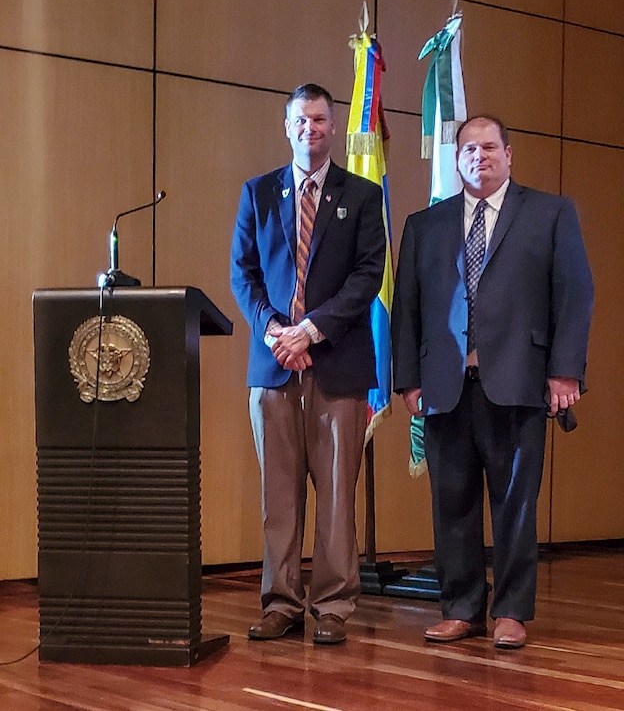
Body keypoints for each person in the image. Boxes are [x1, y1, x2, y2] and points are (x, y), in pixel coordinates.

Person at [391, 115, 593, 649]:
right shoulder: (424, 224)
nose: (478, 156)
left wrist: (565, 370)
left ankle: (510, 611)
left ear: (509, 153)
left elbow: (574, 294)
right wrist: (407, 380)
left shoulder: (551, 213)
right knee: (451, 502)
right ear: (455, 161)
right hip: (444, 386)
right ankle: (460, 608)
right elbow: (406, 310)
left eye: (488, 147)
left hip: (520, 382)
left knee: (516, 504)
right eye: (467, 149)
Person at [230, 83, 385, 644]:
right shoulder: (257, 193)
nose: (309, 129)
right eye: (301, 120)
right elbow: (241, 275)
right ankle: (281, 602)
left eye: (319, 120)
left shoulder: (363, 196)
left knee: (337, 495)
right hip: (273, 367)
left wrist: (310, 331)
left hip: (337, 367)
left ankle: (333, 607)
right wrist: (275, 330)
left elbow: (368, 276)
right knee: (279, 495)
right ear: (287, 125)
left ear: (332, 126)